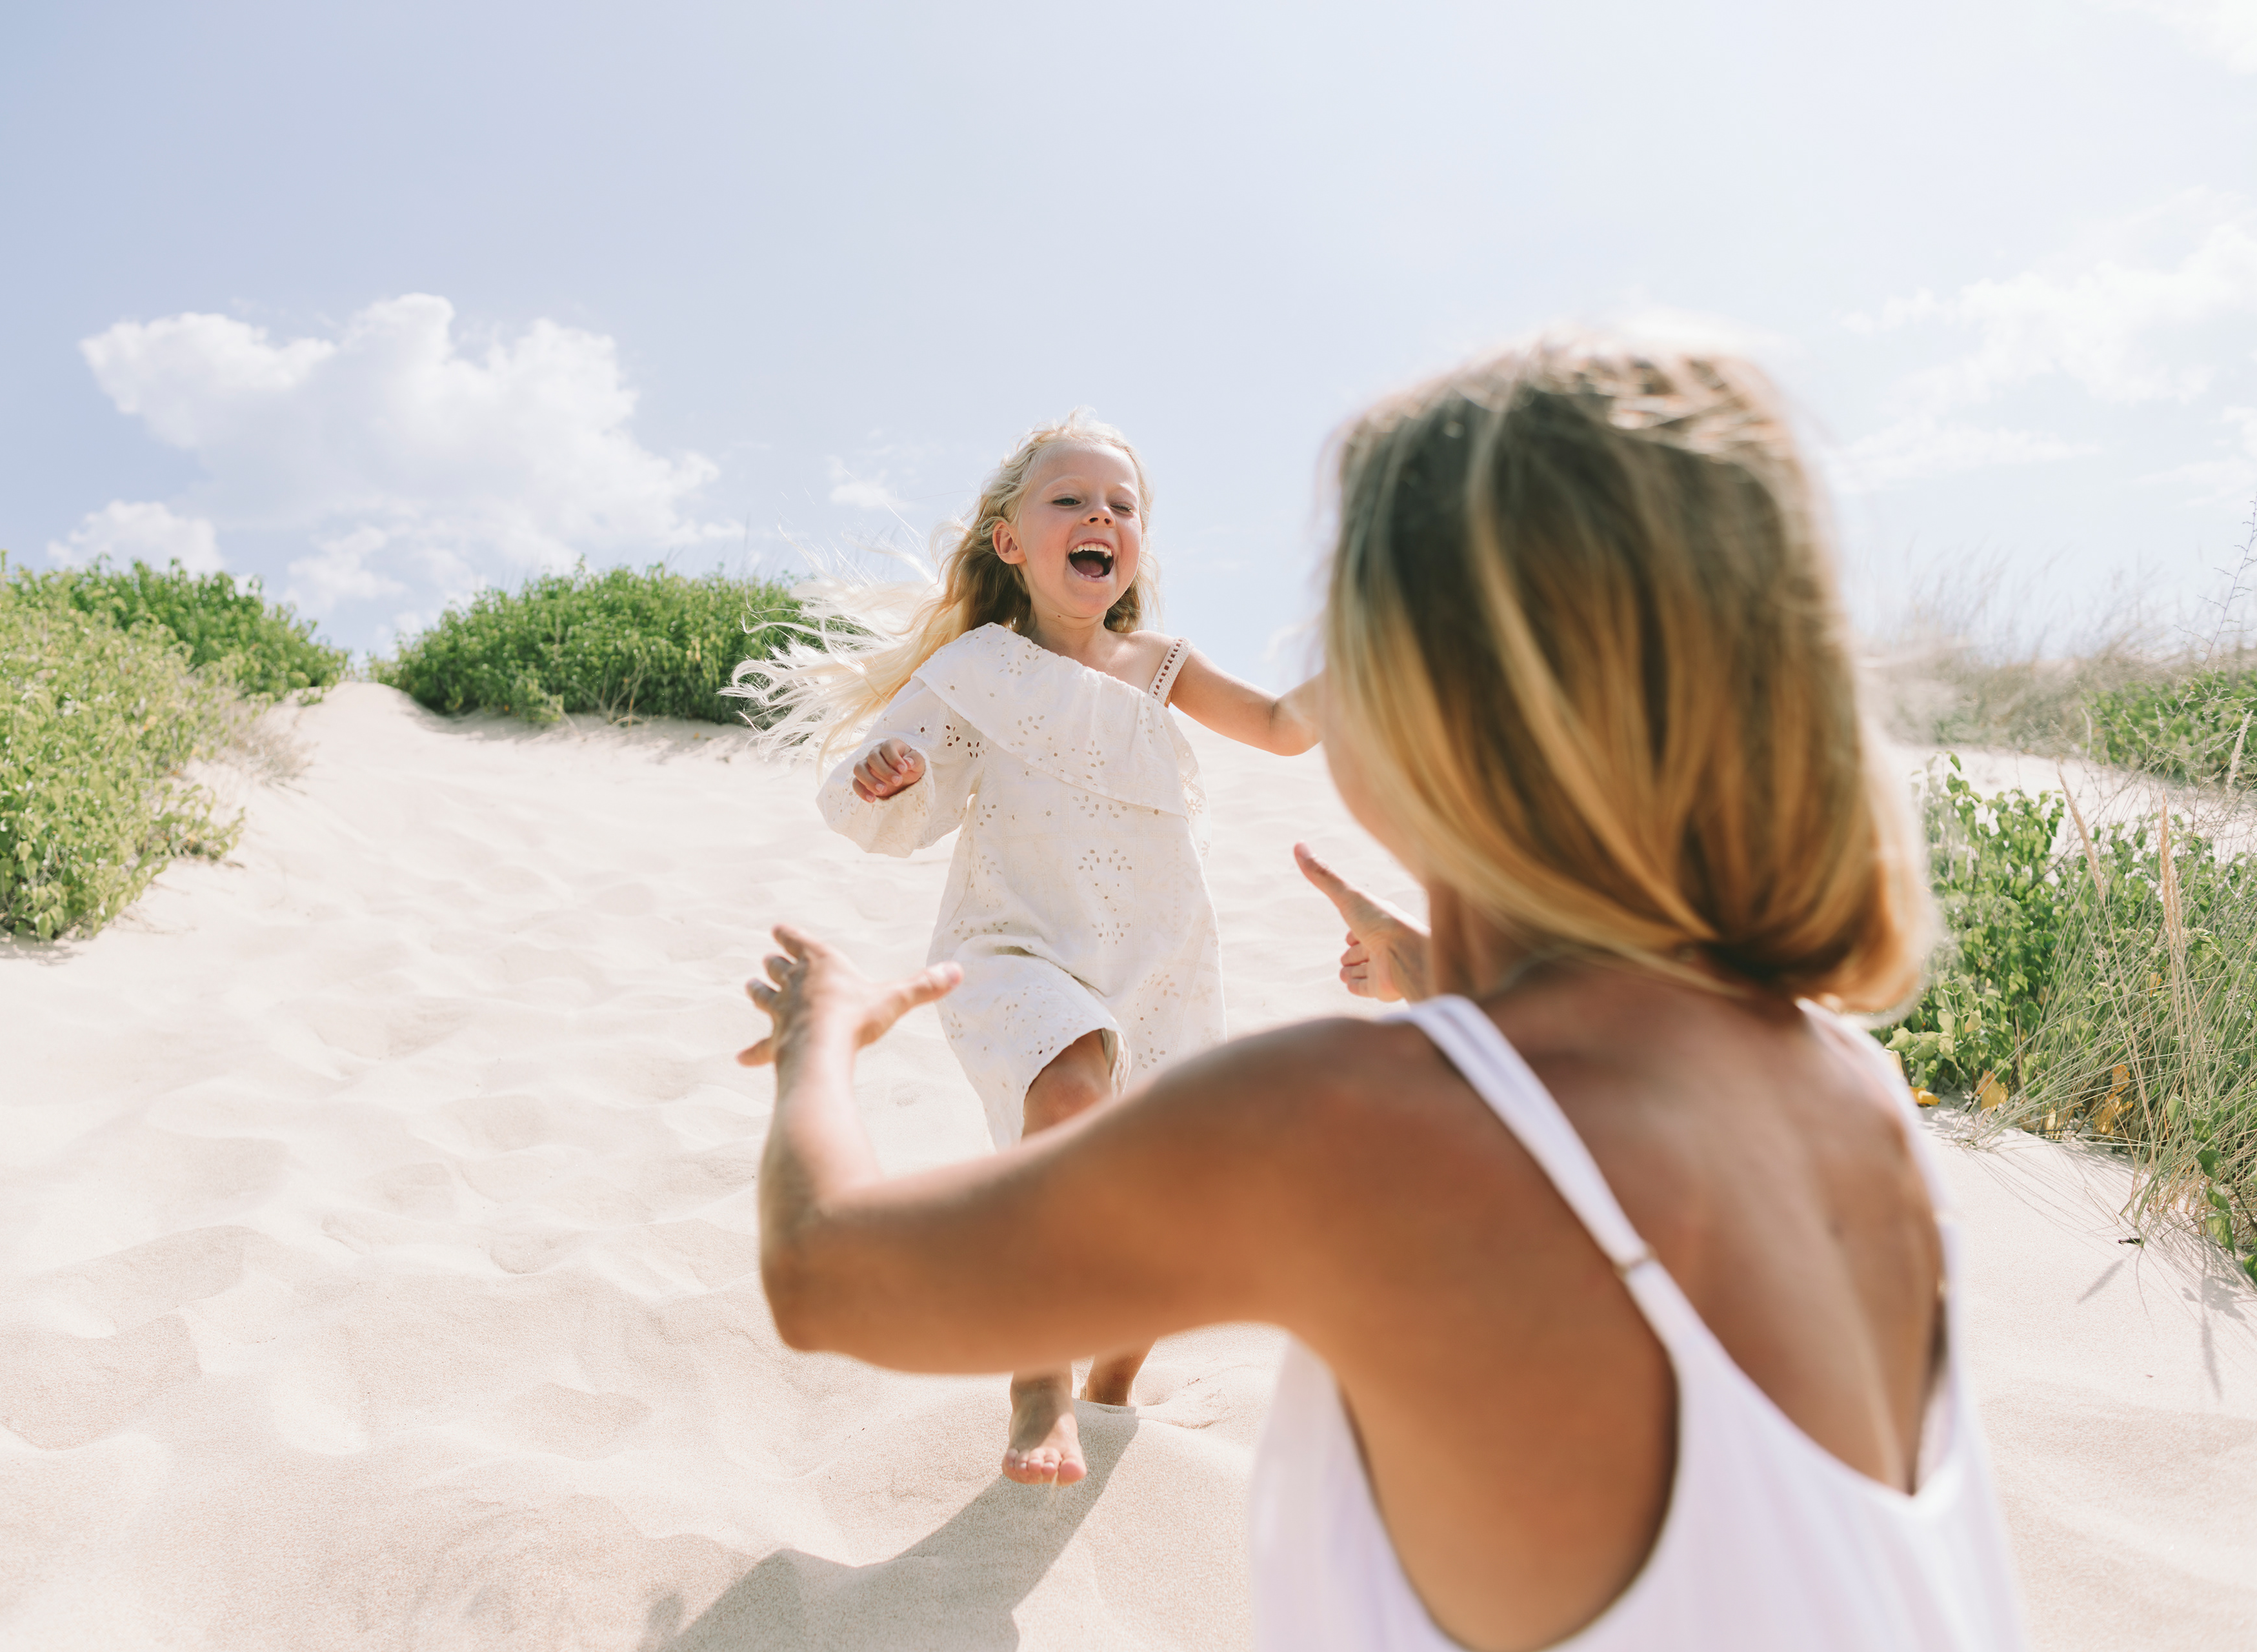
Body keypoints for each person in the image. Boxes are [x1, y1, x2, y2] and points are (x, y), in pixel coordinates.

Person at [736, 337, 2030, 1649]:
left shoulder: (1350, 1121)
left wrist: (819, 1040)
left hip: (1149, 970)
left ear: (1422, 694)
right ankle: (1060, 1394)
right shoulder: (1852, 1081)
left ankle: (1091, 1387)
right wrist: (1439, 962)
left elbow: (824, 1271)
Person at [730, 412, 1319, 1487]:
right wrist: (889, 772)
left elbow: (1284, 725)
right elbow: (896, 778)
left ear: (1136, 546)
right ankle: (1039, 1382)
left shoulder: (1160, 666)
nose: (1101, 516)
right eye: (1070, 500)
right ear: (1011, 543)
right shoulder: (981, 667)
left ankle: (1108, 1387)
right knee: (1068, 1105)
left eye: (1123, 506)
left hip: (1159, 959)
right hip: (1014, 946)